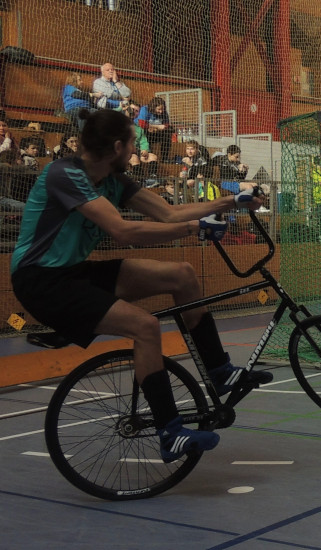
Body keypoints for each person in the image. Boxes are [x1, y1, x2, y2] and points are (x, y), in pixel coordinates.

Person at [10, 108, 270, 463]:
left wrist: (230, 201)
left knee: (182, 275)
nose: (135, 149)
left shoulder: (116, 180)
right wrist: (194, 229)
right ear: (117, 146)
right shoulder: (65, 174)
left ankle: (220, 372)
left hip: (73, 271)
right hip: (41, 281)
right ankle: (169, 432)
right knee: (146, 327)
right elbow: (123, 230)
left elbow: (169, 213)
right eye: (133, 143)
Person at [121, 101, 158, 182]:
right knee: (134, 158)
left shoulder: (138, 128)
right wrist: (122, 108)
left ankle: (152, 179)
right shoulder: (119, 124)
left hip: (138, 151)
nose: (134, 112)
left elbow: (143, 140)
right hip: (125, 152)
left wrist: (145, 149)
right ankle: (140, 180)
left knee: (153, 157)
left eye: (137, 111)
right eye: (132, 109)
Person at [136, 97, 172, 161]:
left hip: (156, 132)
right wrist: (156, 127)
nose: (161, 111)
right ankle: (148, 156)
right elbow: (141, 123)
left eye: (162, 109)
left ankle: (165, 158)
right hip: (145, 133)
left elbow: (166, 125)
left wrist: (156, 129)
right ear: (153, 107)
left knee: (167, 135)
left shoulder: (164, 113)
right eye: (159, 109)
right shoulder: (145, 109)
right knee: (145, 134)